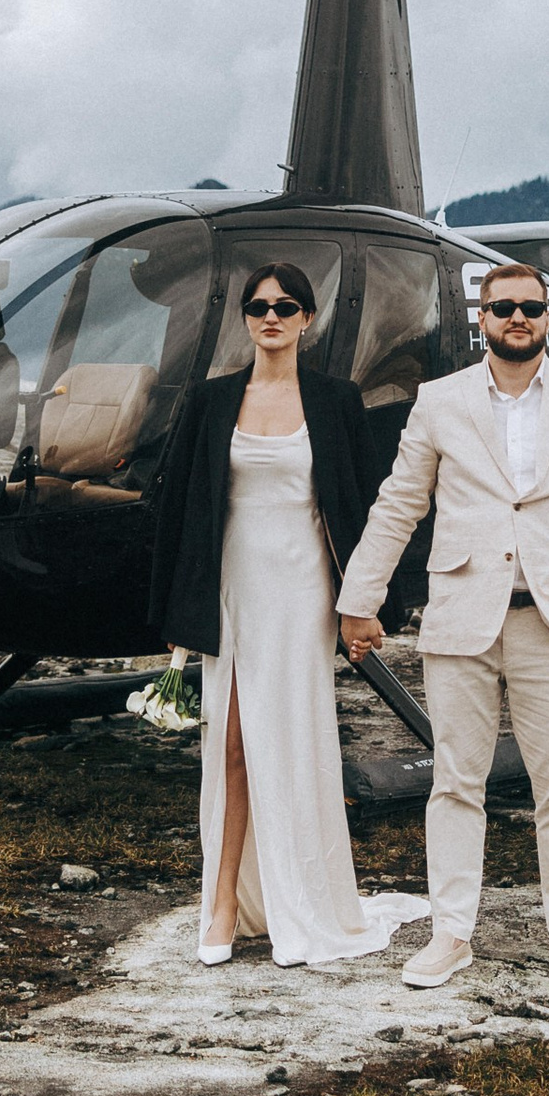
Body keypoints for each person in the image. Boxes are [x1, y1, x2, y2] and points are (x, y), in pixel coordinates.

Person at [336, 260, 549, 1001]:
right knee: (454, 784)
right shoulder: (440, 402)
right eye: (503, 307)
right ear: (483, 318)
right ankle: (451, 933)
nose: (517, 318)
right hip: (461, 619)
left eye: (531, 307)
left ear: (547, 317)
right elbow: (399, 504)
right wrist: (359, 600)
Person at [147, 262, 423, 969]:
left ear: (307, 319)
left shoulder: (335, 400)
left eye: (287, 306)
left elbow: (360, 504)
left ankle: (300, 899)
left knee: (293, 743)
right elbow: (182, 508)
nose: (271, 316)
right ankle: (223, 905)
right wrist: (177, 610)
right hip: (234, 587)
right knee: (234, 745)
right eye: (259, 306)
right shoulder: (212, 401)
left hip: (303, 593)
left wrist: (366, 606)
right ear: (246, 318)